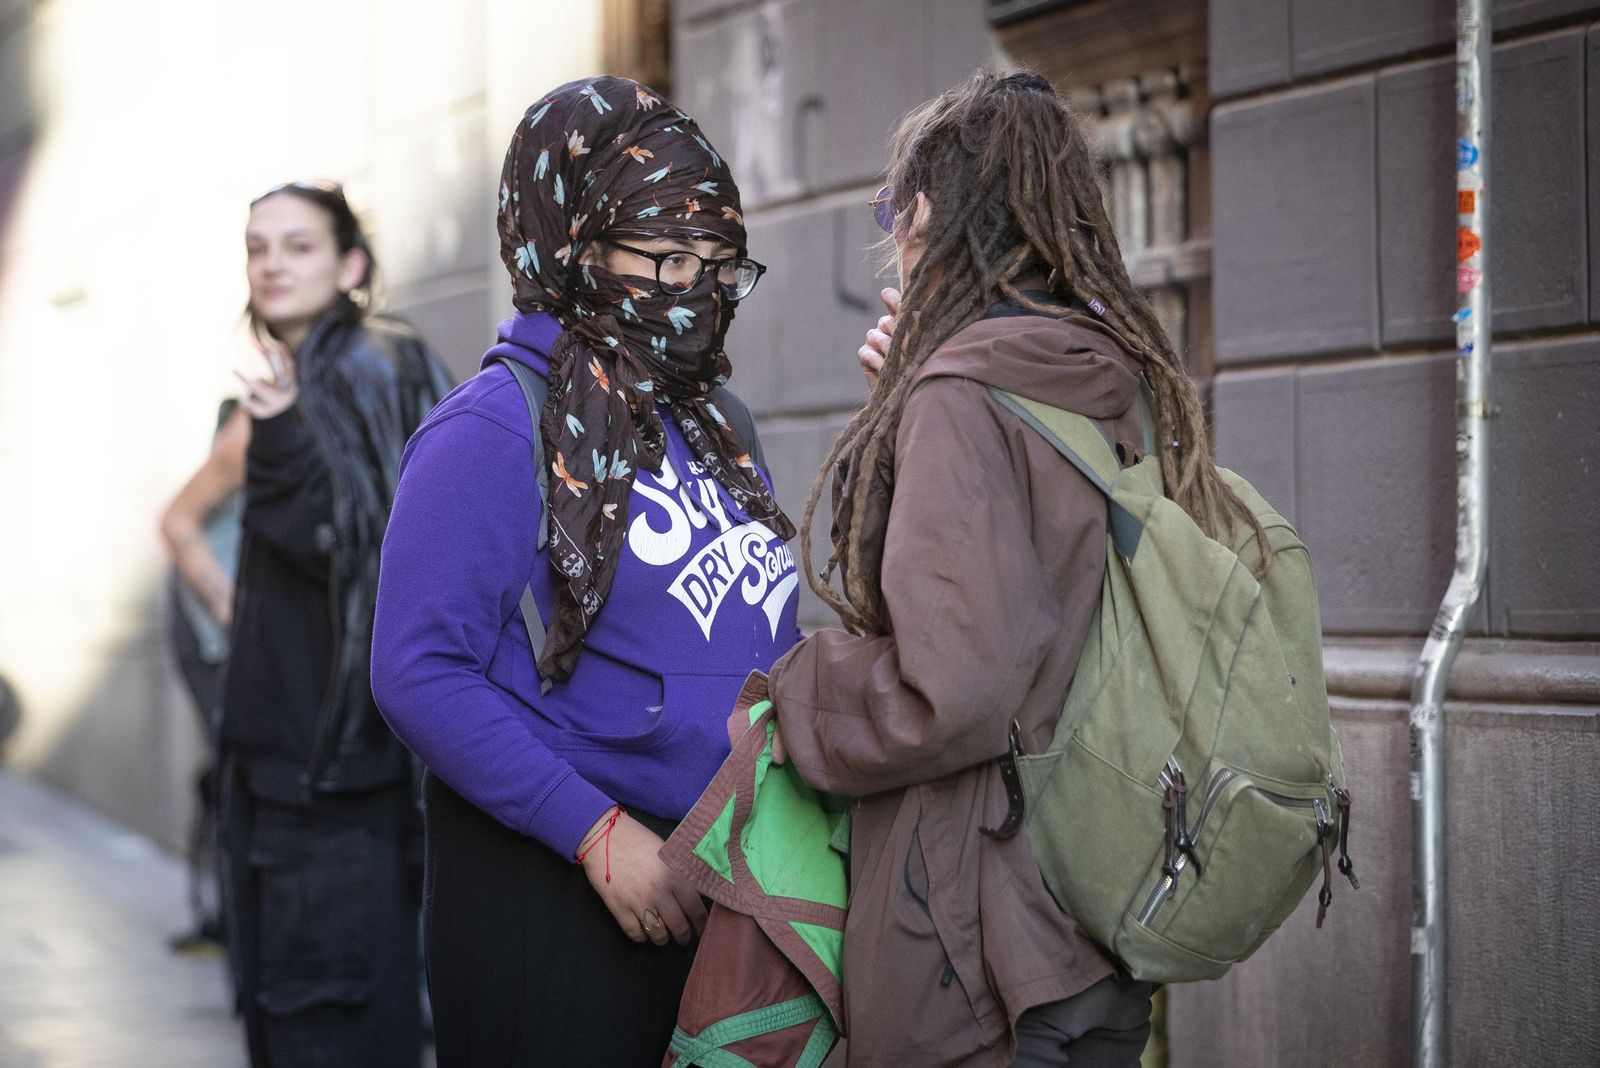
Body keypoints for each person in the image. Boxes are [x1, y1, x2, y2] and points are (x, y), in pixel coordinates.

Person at [765, 71, 1269, 1067]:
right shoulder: (1111, 378)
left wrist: (802, 691)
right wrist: (909, 394)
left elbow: (952, 691)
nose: (893, 238)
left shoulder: (958, 399)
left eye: (895, 212)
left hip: (972, 943)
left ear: (933, 219)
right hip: (1099, 908)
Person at [370, 76, 800, 1067]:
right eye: (669, 258)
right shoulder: (489, 428)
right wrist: (593, 832)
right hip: (559, 891)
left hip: (721, 886)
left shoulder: (713, 422)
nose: (697, 292)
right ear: (573, 246)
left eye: (719, 266)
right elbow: (416, 669)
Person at [213, 179, 452, 1067]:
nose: (271, 264)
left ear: (351, 266)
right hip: (282, 769)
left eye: (299, 245)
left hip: (334, 781)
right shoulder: (301, 375)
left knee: (329, 1023)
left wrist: (278, 442)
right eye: (257, 246)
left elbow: (379, 551)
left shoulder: (372, 363)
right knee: (291, 1012)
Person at [160, 397, 244, 952]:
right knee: (238, 772)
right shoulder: (252, 427)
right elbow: (176, 519)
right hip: (209, 633)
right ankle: (229, 922)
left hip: (232, 636)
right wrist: (229, 610)